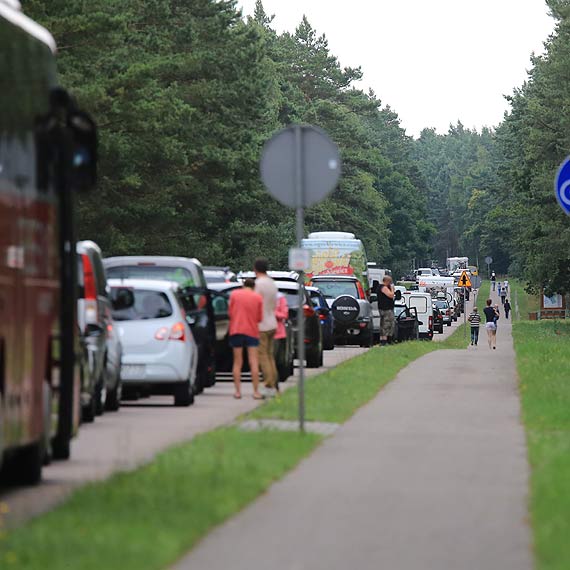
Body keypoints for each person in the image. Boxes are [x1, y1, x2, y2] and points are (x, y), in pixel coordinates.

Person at [228, 278, 263, 400]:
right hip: (252, 331)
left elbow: (230, 313)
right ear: (253, 287)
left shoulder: (234, 295)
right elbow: (259, 318)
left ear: (243, 285)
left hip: (236, 330)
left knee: (237, 362)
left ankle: (237, 392)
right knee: (253, 361)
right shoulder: (257, 297)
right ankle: (256, 392)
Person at [254, 258, 279, 395]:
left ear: (255, 269)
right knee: (270, 355)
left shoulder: (259, 284)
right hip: (272, 321)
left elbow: (256, 303)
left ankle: (268, 384)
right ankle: (274, 382)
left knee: (262, 355)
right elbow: (274, 304)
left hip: (262, 324)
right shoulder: (271, 283)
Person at [273, 292, 289, 393]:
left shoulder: (280, 298)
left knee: (276, 359)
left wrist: (272, 312)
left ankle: (275, 383)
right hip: (263, 331)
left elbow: (284, 314)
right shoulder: (260, 296)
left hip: (278, 333)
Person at [375, 276, 395, 346]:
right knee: (387, 324)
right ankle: (385, 340)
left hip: (382, 308)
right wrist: (392, 289)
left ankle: (382, 339)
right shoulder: (383, 287)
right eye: (390, 282)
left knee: (383, 324)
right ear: (387, 281)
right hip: (386, 309)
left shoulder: (379, 287)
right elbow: (391, 295)